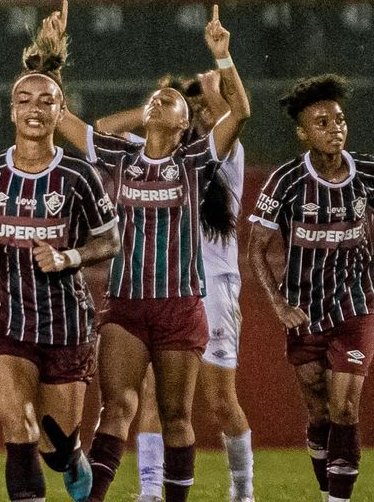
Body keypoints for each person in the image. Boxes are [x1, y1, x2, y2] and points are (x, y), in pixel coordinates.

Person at [41, 2, 250, 502]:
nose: (160, 101)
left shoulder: (197, 161)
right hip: (127, 305)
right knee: (116, 408)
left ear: (184, 124)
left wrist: (223, 58)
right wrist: (51, 58)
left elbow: (239, 112)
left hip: (180, 306)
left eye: (171, 100)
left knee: (177, 415)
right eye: (156, 97)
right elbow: (61, 117)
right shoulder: (119, 154)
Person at [0, 31, 122, 502]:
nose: (34, 108)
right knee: (18, 425)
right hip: (5, 319)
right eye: (24, 99)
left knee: (54, 448)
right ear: (11, 111)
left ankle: (72, 455)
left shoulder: (79, 175)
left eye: (46, 101)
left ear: (58, 112)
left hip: (65, 321)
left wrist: (68, 256)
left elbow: (111, 239)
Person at [101, 72, 255, 502]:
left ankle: (243, 491)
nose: (202, 112)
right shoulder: (153, 156)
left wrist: (209, 90)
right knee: (152, 395)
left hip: (215, 289)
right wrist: (152, 112)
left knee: (221, 399)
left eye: (205, 108)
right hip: (164, 286)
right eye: (193, 108)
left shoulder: (221, 155)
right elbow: (105, 130)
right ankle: (150, 490)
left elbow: (234, 113)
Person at [246, 74, 374, 502]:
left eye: (339, 120)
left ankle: (338, 498)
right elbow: (255, 248)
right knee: (318, 407)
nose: (335, 129)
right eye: (322, 123)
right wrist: (278, 305)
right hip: (305, 308)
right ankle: (327, 481)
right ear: (302, 132)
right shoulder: (286, 181)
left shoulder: (368, 170)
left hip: (358, 304)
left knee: (345, 406)